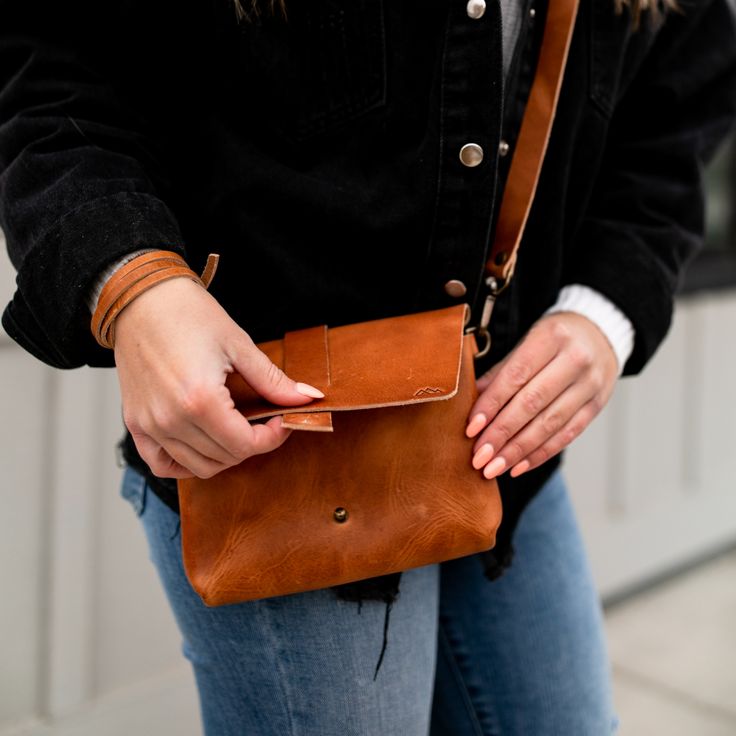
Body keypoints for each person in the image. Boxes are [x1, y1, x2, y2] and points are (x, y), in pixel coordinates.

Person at [1, 0, 735, 733]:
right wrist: (135, 287)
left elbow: (677, 113)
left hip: (501, 450)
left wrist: (605, 311)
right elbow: (57, 82)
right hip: (278, 468)